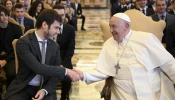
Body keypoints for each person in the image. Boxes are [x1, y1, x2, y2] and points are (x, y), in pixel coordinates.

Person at [74, 13, 175, 100]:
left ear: (126, 26)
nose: (111, 30)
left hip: (150, 88)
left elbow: (168, 63)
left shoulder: (146, 38)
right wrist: (84, 75)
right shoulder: (109, 44)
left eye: (114, 26)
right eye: (110, 27)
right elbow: (103, 71)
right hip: (123, 93)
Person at [4, 9, 79, 100]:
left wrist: (45, 90)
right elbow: (37, 67)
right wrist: (66, 71)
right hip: (23, 87)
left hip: (45, 87)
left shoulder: (55, 46)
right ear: (44, 25)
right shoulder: (23, 43)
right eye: (56, 28)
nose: (58, 32)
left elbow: (55, 76)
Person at [53, 5, 75, 100]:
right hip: (47, 62)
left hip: (64, 60)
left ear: (65, 16)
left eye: (62, 15)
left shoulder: (70, 29)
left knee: (67, 78)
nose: (60, 18)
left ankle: (63, 97)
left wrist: (63, 65)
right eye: (56, 15)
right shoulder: (46, 29)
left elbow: (70, 49)